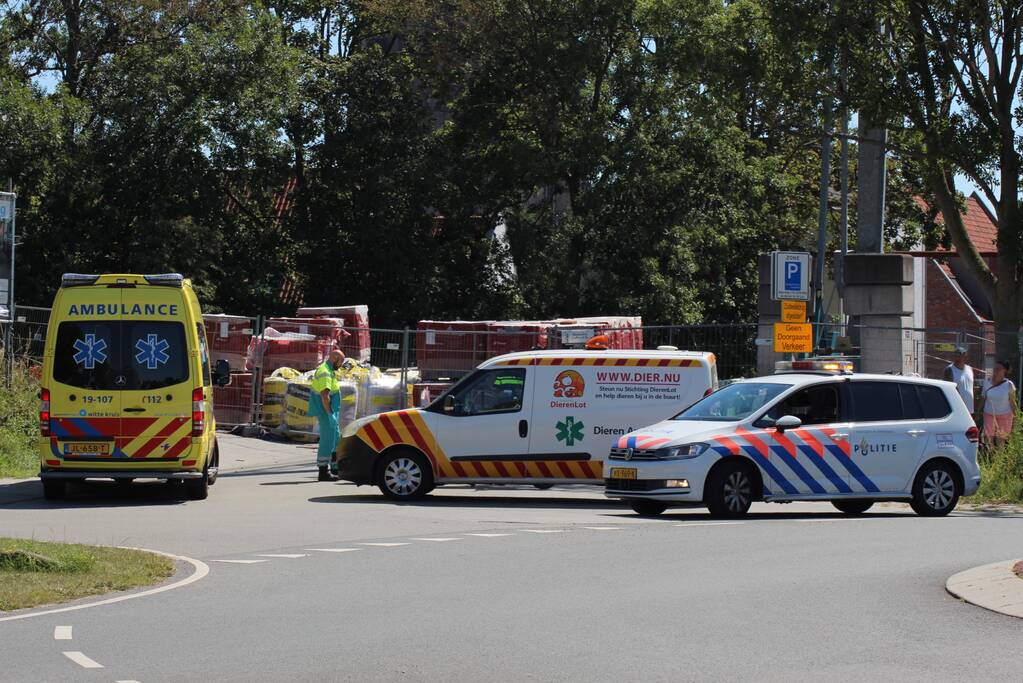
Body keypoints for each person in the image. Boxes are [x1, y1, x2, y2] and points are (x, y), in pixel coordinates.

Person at [309, 349, 345, 481]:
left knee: (335, 438)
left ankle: (335, 468)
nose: (341, 365)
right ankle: (323, 471)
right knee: (327, 440)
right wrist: (330, 414)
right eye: (341, 361)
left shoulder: (329, 370)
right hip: (326, 411)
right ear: (335, 359)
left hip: (330, 411)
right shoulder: (325, 372)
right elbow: (324, 396)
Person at [979, 360, 1018, 449]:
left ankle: (998, 459)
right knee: (989, 439)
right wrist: (978, 412)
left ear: (1004, 371)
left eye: (998, 369)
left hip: (1005, 415)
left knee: (1001, 440)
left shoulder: (1009, 385)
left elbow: (1013, 402)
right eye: (995, 369)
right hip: (989, 414)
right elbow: (983, 398)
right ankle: (991, 458)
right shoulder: (987, 382)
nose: (995, 371)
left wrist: (1016, 418)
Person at [942, 346, 975, 414]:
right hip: (956, 408)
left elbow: (971, 387)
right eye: (956, 355)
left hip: (970, 408)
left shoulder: (970, 369)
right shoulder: (949, 370)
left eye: (960, 355)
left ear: (965, 357)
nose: (957, 357)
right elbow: (947, 389)